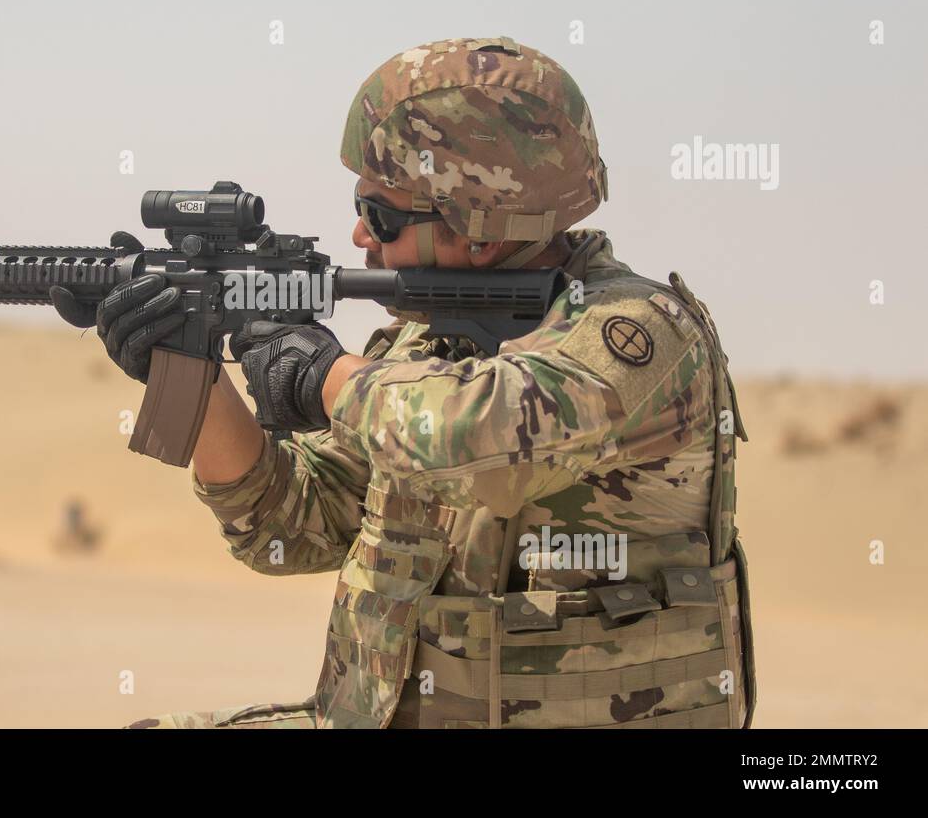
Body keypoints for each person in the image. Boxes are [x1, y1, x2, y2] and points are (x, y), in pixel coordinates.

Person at [52, 37, 755, 729]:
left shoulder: (636, 334)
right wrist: (191, 368)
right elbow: (289, 528)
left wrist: (323, 374)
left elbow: (485, 441)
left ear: (479, 229)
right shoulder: (424, 342)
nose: (360, 238)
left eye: (382, 215)